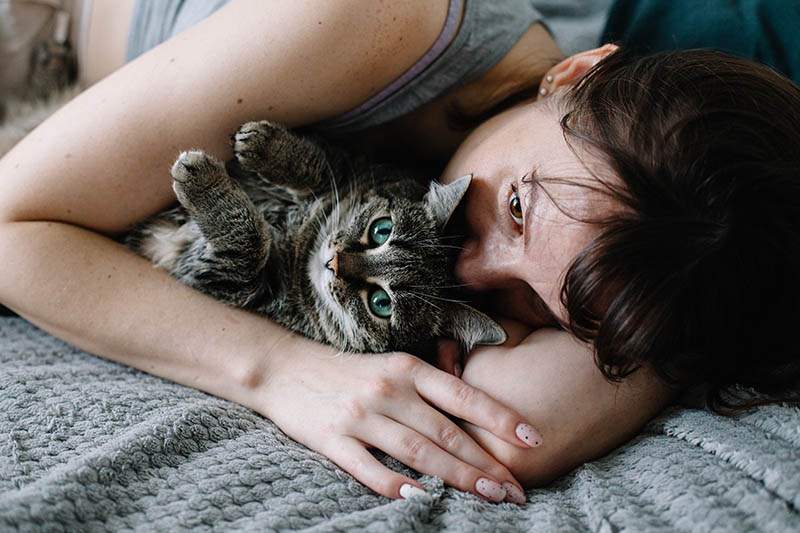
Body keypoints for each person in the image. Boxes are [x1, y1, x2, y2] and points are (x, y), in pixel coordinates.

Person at [1, 0, 797, 504]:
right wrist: (280, 370)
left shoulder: (633, 228)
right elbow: (13, 228)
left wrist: (656, 339)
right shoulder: (361, 20)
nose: (474, 272)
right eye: (515, 207)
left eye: (539, 309)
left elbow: (523, 429)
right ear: (574, 75)